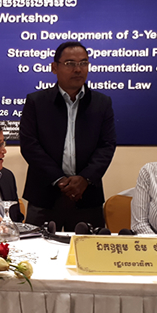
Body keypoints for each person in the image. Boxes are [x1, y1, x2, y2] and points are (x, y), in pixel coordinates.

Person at [20, 41, 116, 231]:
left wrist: (85, 179)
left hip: (87, 196)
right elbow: (30, 145)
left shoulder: (101, 103)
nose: (78, 69)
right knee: (36, 252)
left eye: (84, 63)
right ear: (54, 67)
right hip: (44, 195)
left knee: (88, 255)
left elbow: (107, 145)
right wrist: (60, 180)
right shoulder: (37, 102)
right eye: (70, 63)